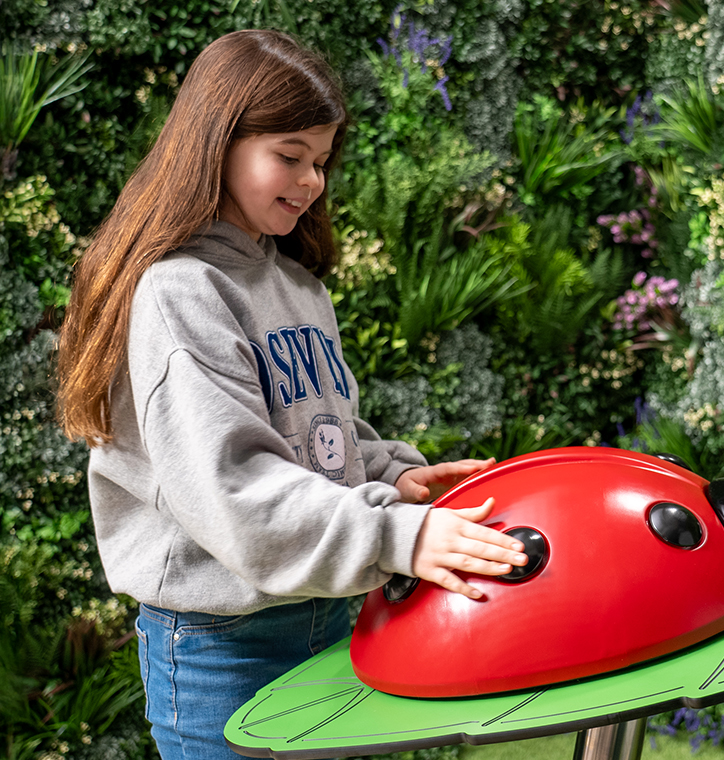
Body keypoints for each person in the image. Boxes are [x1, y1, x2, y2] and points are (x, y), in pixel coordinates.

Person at [55, 29, 528, 760]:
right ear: (215, 143)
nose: (313, 182)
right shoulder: (180, 292)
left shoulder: (293, 284)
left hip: (324, 615)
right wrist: (399, 535)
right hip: (221, 647)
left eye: (322, 161)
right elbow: (236, 489)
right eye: (290, 155)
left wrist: (385, 473)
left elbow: (313, 432)